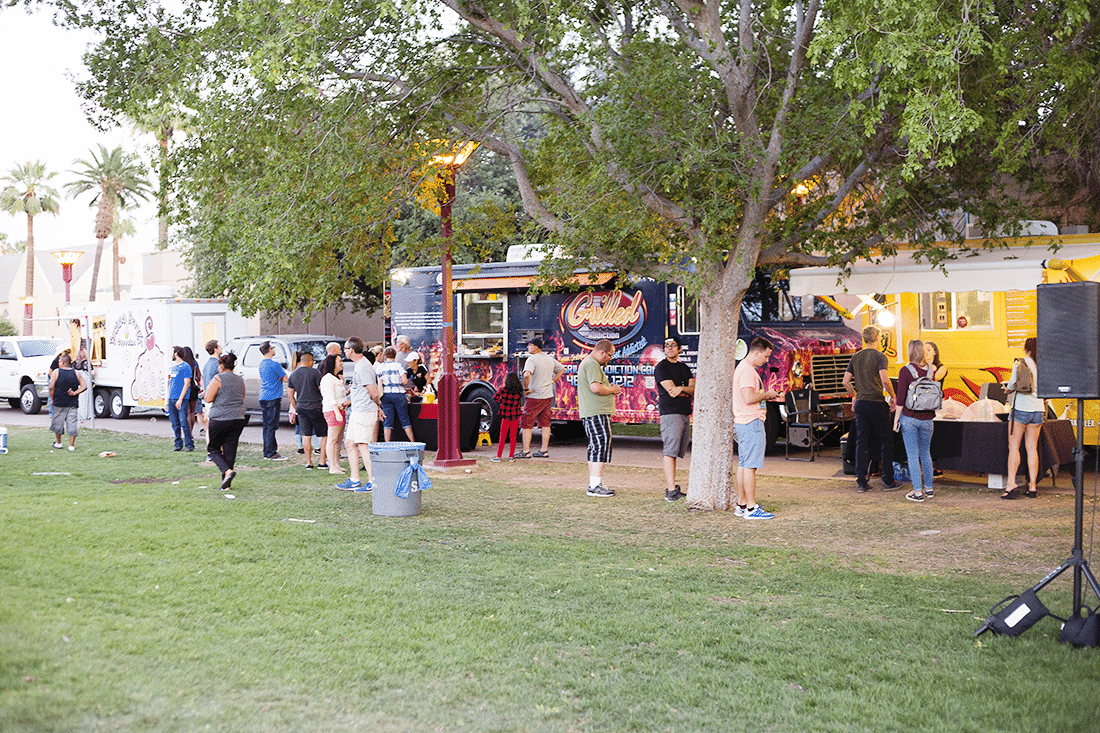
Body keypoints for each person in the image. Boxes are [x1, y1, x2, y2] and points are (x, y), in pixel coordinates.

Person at [843, 325, 902, 493]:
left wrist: (855, 395)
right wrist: (893, 395)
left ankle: (861, 482)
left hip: (861, 404)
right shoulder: (880, 356)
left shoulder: (856, 357)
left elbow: (845, 381)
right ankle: (888, 481)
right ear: (877, 338)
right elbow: (884, 379)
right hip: (876, 402)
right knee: (886, 441)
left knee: (861, 442)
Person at [731, 337, 778, 519]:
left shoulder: (742, 368)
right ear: (756, 352)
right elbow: (749, 397)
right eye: (766, 356)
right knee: (750, 466)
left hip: (743, 422)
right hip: (751, 422)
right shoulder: (748, 371)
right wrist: (767, 395)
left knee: (744, 464)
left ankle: (742, 504)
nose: (766, 361)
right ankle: (751, 508)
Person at [578, 339, 622, 497]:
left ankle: (594, 482)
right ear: (602, 352)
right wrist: (613, 390)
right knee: (600, 445)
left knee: (596, 446)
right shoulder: (592, 364)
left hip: (593, 411)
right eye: (609, 355)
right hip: (596, 411)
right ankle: (595, 486)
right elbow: (595, 387)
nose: (609, 359)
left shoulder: (590, 363)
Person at [894, 339, 936, 502]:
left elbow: (900, 398)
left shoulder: (905, 371)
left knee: (912, 455)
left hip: (910, 417)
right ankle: (929, 489)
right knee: (926, 453)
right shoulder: (931, 370)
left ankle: (917, 492)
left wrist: (896, 420)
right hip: (928, 418)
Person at [338, 337, 381, 492]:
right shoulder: (359, 366)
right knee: (349, 443)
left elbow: (373, 392)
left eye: (345, 348)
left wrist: (378, 406)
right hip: (357, 411)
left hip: (364, 411)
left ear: (351, 350)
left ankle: (372, 481)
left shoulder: (363, 366)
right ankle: (355, 479)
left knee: (363, 445)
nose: (344, 351)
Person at [655, 336, 695, 502]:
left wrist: (682, 389)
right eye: (666, 346)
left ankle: (674, 487)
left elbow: (693, 389)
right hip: (670, 413)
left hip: (685, 412)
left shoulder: (684, 368)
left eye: (673, 346)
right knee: (670, 451)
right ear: (664, 350)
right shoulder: (661, 368)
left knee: (678, 451)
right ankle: (671, 491)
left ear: (679, 349)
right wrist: (682, 389)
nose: (670, 348)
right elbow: (671, 390)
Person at [1003, 336, 1043, 499]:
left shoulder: (1021, 362)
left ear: (1026, 349)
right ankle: (1032, 486)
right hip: (1038, 409)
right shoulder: (1044, 365)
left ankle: (1011, 484)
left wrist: (1007, 388)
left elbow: (1013, 383)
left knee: (1014, 446)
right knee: (1032, 448)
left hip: (1021, 408)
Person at [204, 352, 248, 491]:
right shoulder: (240, 380)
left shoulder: (218, 379)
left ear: (222, 365)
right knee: (230, 450)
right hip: (238, 418)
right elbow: (242, 396)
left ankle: (227, 473)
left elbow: (208, 398)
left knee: (213, 449)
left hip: (220, 418)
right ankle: (226, 484)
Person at [516, 338, 565, 459]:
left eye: (530, 345)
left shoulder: (531, 360)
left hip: (535, 396)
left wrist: (526, 389)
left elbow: (527, 374)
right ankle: (544, 450)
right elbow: (562, 369)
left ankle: (526, 451)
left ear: (536, 347)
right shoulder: (550, 359)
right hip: (548, 396)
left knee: (526, 423)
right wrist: (553, 380)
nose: (528, 347)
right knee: (545, 423)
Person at [288, 351, 328, 470]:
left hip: (301, 407)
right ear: (310, 361)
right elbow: (322, 389)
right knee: (324, 435)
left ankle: (309, 462)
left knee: (306, 435)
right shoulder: (315, 373)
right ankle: (322, 462)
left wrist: (295, 406)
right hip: (316, 407)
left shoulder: (293, 374)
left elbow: (290, 395)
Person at [376, 346, 416, 442]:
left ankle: (387, 444)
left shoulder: (380, 367)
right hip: (398, 394)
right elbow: (405, 381)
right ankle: (413, 442)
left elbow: (377, 380)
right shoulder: (398, 366)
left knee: (388, 420)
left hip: (385, 394)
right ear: (395, 355)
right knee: (404, 419)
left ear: (385, 356)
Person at [48, 353, 87, 451]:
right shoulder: (76, 373)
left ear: (63, 362)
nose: (58, 363)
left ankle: (59, 443)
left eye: (59, 361)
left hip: (59, 402)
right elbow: (84, 386)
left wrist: (52, 399)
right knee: (72, 423)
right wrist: (74, 393)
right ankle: (71, 445)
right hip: (72, 403)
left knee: (58, 423)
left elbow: (51, 387)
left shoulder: (56, 372)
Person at [258, 340, 288, 461]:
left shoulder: (262, 364)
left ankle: (268, 450)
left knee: (267, 425)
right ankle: (271, 452)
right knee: (272, 425)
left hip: (264, 396)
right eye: (273, 348)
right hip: (273, 396)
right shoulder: (275, 365)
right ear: (270, 350)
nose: (274, 349)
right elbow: (285, 378)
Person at [319, 354, 349, 475]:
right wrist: (337, 412)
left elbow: (340, 395)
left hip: (341, 409)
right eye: (340, 361)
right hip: (333, 411)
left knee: (338, 439)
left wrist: (348, 392)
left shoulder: (336, 378)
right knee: (332, 439)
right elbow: (330, 397)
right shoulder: (327, 379)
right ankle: (332, 466)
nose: (342, 363)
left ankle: (336, 464)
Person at [167, 346, 195, 452]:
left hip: (181, 399)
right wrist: (167, 399)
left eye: (172, 352)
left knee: (184, 421)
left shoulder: (185, 366)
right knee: (175, 423)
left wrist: (180, 399)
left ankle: (189, 444)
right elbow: (171, 384)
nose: (171, 354)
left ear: (176, 354)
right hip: (172, 398)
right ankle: (178, 444)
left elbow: (187, 383)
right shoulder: (174, 368)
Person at [492, 372, 524, 462]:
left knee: (502, 436)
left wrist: (502, 402)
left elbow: (495, 397)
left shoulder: (503, 390)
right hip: (515, 415)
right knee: (513, 437)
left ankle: (498, 456)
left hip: (505, 415)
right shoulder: (519, 391)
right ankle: (511, 456)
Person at [200, 340, 222, 438]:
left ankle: (210, 443)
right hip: (216, 397)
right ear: (215, 349)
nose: (221, 348)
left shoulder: (207, 364)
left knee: (208, 421)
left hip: (208, 397)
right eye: (219, 347)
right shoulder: (216, 364)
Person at [181, 346, 202, 433]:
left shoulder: (183, 364)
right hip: (193, 388)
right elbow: (198, 377)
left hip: (185, 387)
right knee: (192, 412)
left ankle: (187, 432)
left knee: (187, 412)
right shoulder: (195, 363)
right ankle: (191, 431)